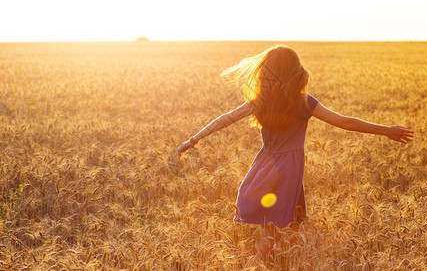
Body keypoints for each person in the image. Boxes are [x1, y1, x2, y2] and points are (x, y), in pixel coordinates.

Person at [176, 44, 413, 250]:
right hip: (290, 167)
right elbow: (345, 122)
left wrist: (193, 139)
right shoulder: (305, 103)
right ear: (295, 72)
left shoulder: (261, 101)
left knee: (270, 220)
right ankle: (286, 257)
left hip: (265, 163)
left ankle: (276, 257)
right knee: (286, 219)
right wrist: (386, 130)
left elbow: (225, 118)